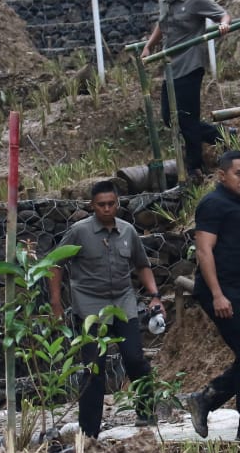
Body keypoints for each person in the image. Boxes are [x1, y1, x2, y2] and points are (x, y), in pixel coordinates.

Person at [50, 180, 162, 438]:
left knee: (134, 357)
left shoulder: (128, 232)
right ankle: (89, 431)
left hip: (123, 303)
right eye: (101, 205)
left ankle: (146, 411)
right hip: (89, 306)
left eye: (111, 204)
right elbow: (55, 264)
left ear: (118, 204)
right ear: (92, 206)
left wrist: (155, 295)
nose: (107, 209)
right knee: (93, 367)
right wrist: (56, 304)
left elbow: (142, 265)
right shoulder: (80, 232)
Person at [184, 150, 240, 441]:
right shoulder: (212, 204)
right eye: (239, 173)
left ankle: (207, 399)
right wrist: (217, 294)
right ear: (222, 175)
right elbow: (204, 250)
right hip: (220, 291)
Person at [140, 0, 232, 179]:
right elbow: (162, 25)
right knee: (169, 117)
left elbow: (222, 14)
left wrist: (224, 24)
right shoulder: (164, 1)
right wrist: (149, 45)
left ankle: (194, 167)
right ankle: (222, 135)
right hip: (171, 67)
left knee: (187, 118)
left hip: (190, 64)